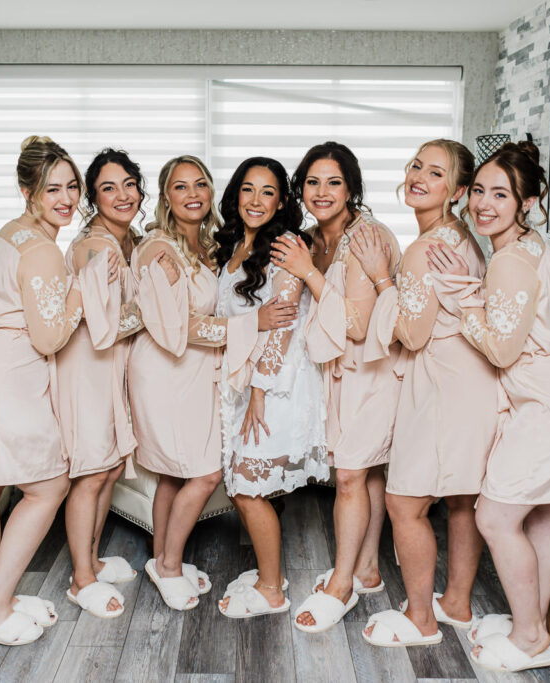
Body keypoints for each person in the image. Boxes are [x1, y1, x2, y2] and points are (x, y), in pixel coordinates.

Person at [427, 141, 550, 673]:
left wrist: (460, 301)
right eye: (478, 190)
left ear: (527, 201)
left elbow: (502, 346)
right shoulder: (528, 245)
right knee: (543, 519)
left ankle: (531, 639)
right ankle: (533, 623)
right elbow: (514, 314)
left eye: (500, 194)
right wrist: (471, 283)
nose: (483, 203)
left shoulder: (508, 261)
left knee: (496, 515)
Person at [0, 135, 108, 646]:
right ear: (26, 190)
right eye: (51, 188)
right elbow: (49, 336)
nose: (67, 198)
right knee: (49, 486)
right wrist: (80, 286)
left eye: (72, 186)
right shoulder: (45, 254)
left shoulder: (11, 233)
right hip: (4, 381)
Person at [129, 155, 298, 610]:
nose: (192, 194)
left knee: (174, 472)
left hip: (199, 371)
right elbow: (179, 327)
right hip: (167, 370)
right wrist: (253, 322)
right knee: (203, 473)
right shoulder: (159, 248)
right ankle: (167, 566)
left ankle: (164, 557)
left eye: (200, 184)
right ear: (166, 196)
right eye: (180, 186)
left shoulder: (205, 244)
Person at [350, 140, 498, 648]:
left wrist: (381, 279)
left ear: (456, 191)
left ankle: (420, 618)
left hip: (440, 388)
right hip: (474, 384)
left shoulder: (421, 251)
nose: (418, 176)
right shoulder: (464, 239)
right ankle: (455, 604)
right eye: (416, 165)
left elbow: (411, 335)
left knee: (403, 503)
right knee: (461, 499)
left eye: (435, 173)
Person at [269, 142, 402, 633]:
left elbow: (358, 323)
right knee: (364, 475)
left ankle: (342, 584)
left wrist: (307, 273)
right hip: (334, 374)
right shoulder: (309, 237)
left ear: (352, 188)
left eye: (334, 182)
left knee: (349, 477)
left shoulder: (367, 238)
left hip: (371, 373)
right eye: (312, 182)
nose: (321, 192)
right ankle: (367, 568)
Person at [213, 157, 329, 619]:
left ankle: (271, 590)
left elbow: (282, 327)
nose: (256, 200)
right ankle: (271, 573)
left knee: (246, 487)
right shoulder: (236, 243)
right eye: (247, 189)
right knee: (241, 481)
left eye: (267, 192)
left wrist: (258, 391)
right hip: (242, 376)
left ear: (282, 200)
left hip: (275, 382)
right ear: (236, 195)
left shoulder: (283, 246)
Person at [58, 148, 146, 619]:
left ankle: (90, 558)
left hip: (109, 367)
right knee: (92, 474)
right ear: (93, 197)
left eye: (128, 183)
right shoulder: (96, 245)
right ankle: (80, 579)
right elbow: (105, 322)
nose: (121, 195)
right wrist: (157, 311)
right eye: (108, 187)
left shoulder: (128, 241)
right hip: (86, 368)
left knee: (110, 468)